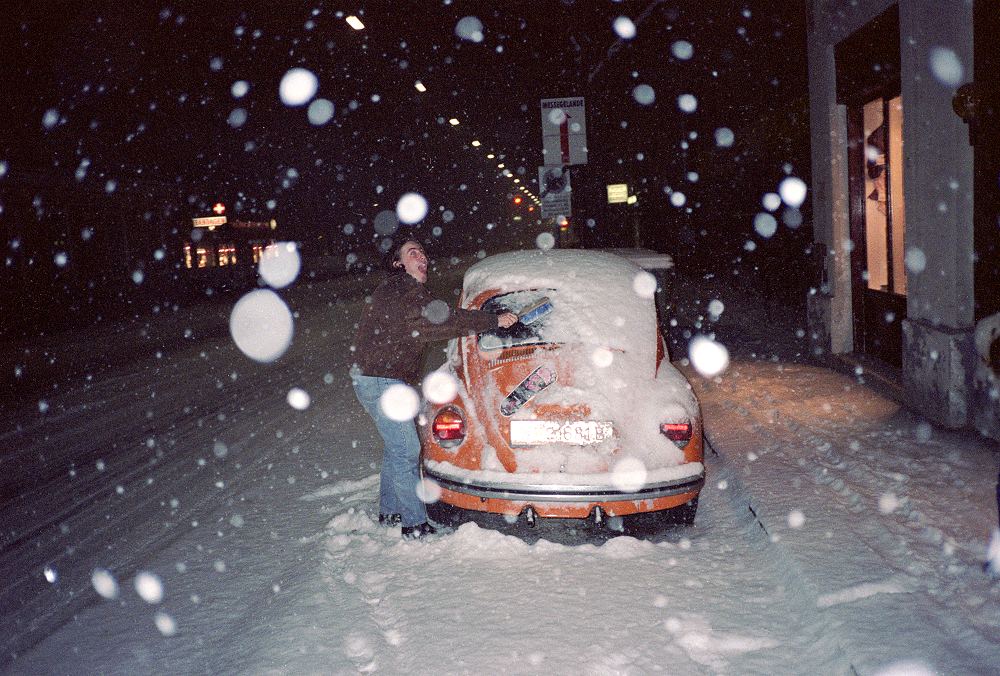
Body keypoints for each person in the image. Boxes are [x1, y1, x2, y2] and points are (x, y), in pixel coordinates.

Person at [351, 237, 517, 540]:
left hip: (375, 378)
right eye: (413, 253)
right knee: (406, 450)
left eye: (423, 252)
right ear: (398, 263)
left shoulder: (398, 290)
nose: (422, 257)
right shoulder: (404, 288)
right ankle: (414, 525)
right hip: (381, 381)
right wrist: (492, 321)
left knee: (397, 448)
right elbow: (439, 321)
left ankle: (390, 512)